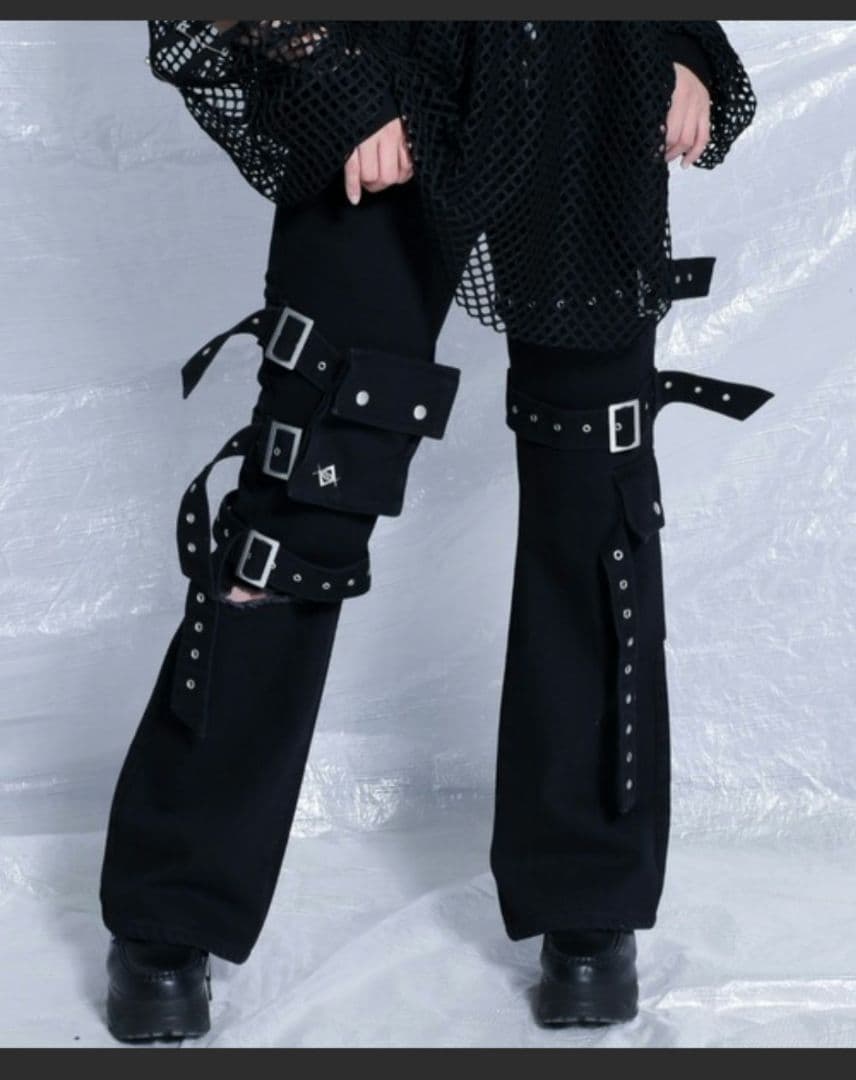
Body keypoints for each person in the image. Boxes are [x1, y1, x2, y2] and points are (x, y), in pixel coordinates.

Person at [98, 20, 773, 1040]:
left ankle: (587, 900)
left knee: (596, 501)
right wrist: (335, 76)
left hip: (589, 84)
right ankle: (171, 906)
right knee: (305, 494)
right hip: (385, 64)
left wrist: (679, 43)